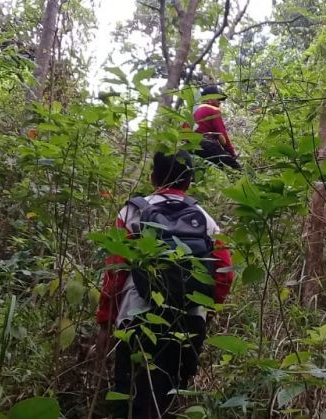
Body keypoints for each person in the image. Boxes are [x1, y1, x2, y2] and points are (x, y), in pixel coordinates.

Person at [95, 150, 234, 419]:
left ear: (152, 177)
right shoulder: (205, 219)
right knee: (168, 399)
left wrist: (105, 320)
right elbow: (225, 274)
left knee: (131, 399)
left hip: (135, 319)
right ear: (190, 181)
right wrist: (209, 310)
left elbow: (116, 270)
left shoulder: (132, 211)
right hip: (189, 321)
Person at [192, 84, 241, 170]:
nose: (219, 102)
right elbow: (222, 135)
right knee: (235, 169)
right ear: (209, 99)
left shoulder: (192, 111)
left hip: (189, 147)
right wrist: (232, 155)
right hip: (205, 144)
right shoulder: (213, 110)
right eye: (218, 99)